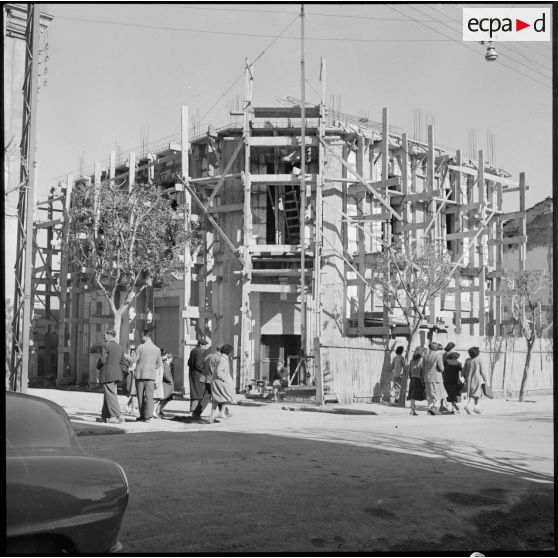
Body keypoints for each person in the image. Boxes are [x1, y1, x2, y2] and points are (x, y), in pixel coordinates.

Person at [134, 329, 162, 423]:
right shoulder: (157, 349)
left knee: (140, 396)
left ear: (146, 336)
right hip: (151, 376)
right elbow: (159, 364)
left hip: (140, 375)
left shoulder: (140, 347)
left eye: (142, 336)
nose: (141, 337)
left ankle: (142, 415)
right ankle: (148, 416)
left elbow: (134, 359)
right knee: (150, 397)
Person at [98, 329, 125, 424]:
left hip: (107, 374)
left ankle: (117, 416)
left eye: (105, 335)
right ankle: (104, 416)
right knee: (108, 394)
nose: (104, 337)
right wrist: (119, 372)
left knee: (110, 394)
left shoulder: (105, 345)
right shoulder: (119, 347)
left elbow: (103, 360)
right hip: (116, 374)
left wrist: (98, 365)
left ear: (109, 335)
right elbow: (123, 362)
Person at [210, 344, 236, 422]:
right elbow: (219, 371)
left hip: (216, 380)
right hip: (220, 381)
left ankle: (212, 417)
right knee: (228, 396)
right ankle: (221, 413)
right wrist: (225, 379)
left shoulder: (222, 358)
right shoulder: (223, 359)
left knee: (216, 399)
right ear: (229, 351)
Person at [423, 342, 447, 416]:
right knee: (439, 395)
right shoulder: (438, 355)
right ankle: (434, 408)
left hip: (427, 378)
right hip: (436, 378)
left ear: (429, 348)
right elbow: (441, 368)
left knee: (429, 395)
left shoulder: (425, 356)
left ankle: (430, 409)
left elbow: (423, 367)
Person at [462, 346, 488, 414]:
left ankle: (476, 407)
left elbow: (463, 371)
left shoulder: (467, 360)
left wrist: (464, 377)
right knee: (475, 393)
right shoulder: (479, 359)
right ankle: (468, 405)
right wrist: (485, 379)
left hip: (468, 379)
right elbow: (482, 371)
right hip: (477, 379)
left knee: (476, 393)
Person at [188, 339, 209, 413]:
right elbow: (198, 365)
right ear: (200, 345)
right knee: (199, 392)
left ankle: (192, 409)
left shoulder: (193, 351)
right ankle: (194, 411)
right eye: (205, 345)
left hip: (193, 374)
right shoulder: (199, 352)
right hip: (198, 375)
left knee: (195, 391)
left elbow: (189, 362)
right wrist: (205, 368)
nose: (206, 347)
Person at [154, 349, 175, 419]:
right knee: (161, 400)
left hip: (168, 386)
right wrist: (171, 381)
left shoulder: (167, 365)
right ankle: (157, 411)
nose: (171, 359)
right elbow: (167, 376)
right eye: (170, 358)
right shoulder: (165, 365)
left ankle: (159, 411)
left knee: (165, 399)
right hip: (166, 385)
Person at [407, 347, 426, 415]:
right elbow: (422, 371)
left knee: (412, 395)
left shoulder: (412, 360)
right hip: (419, 379)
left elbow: (409, 371)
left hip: (412, 379)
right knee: (422, 394)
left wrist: (411, 377)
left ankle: (412, 410)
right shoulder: (422, 360)